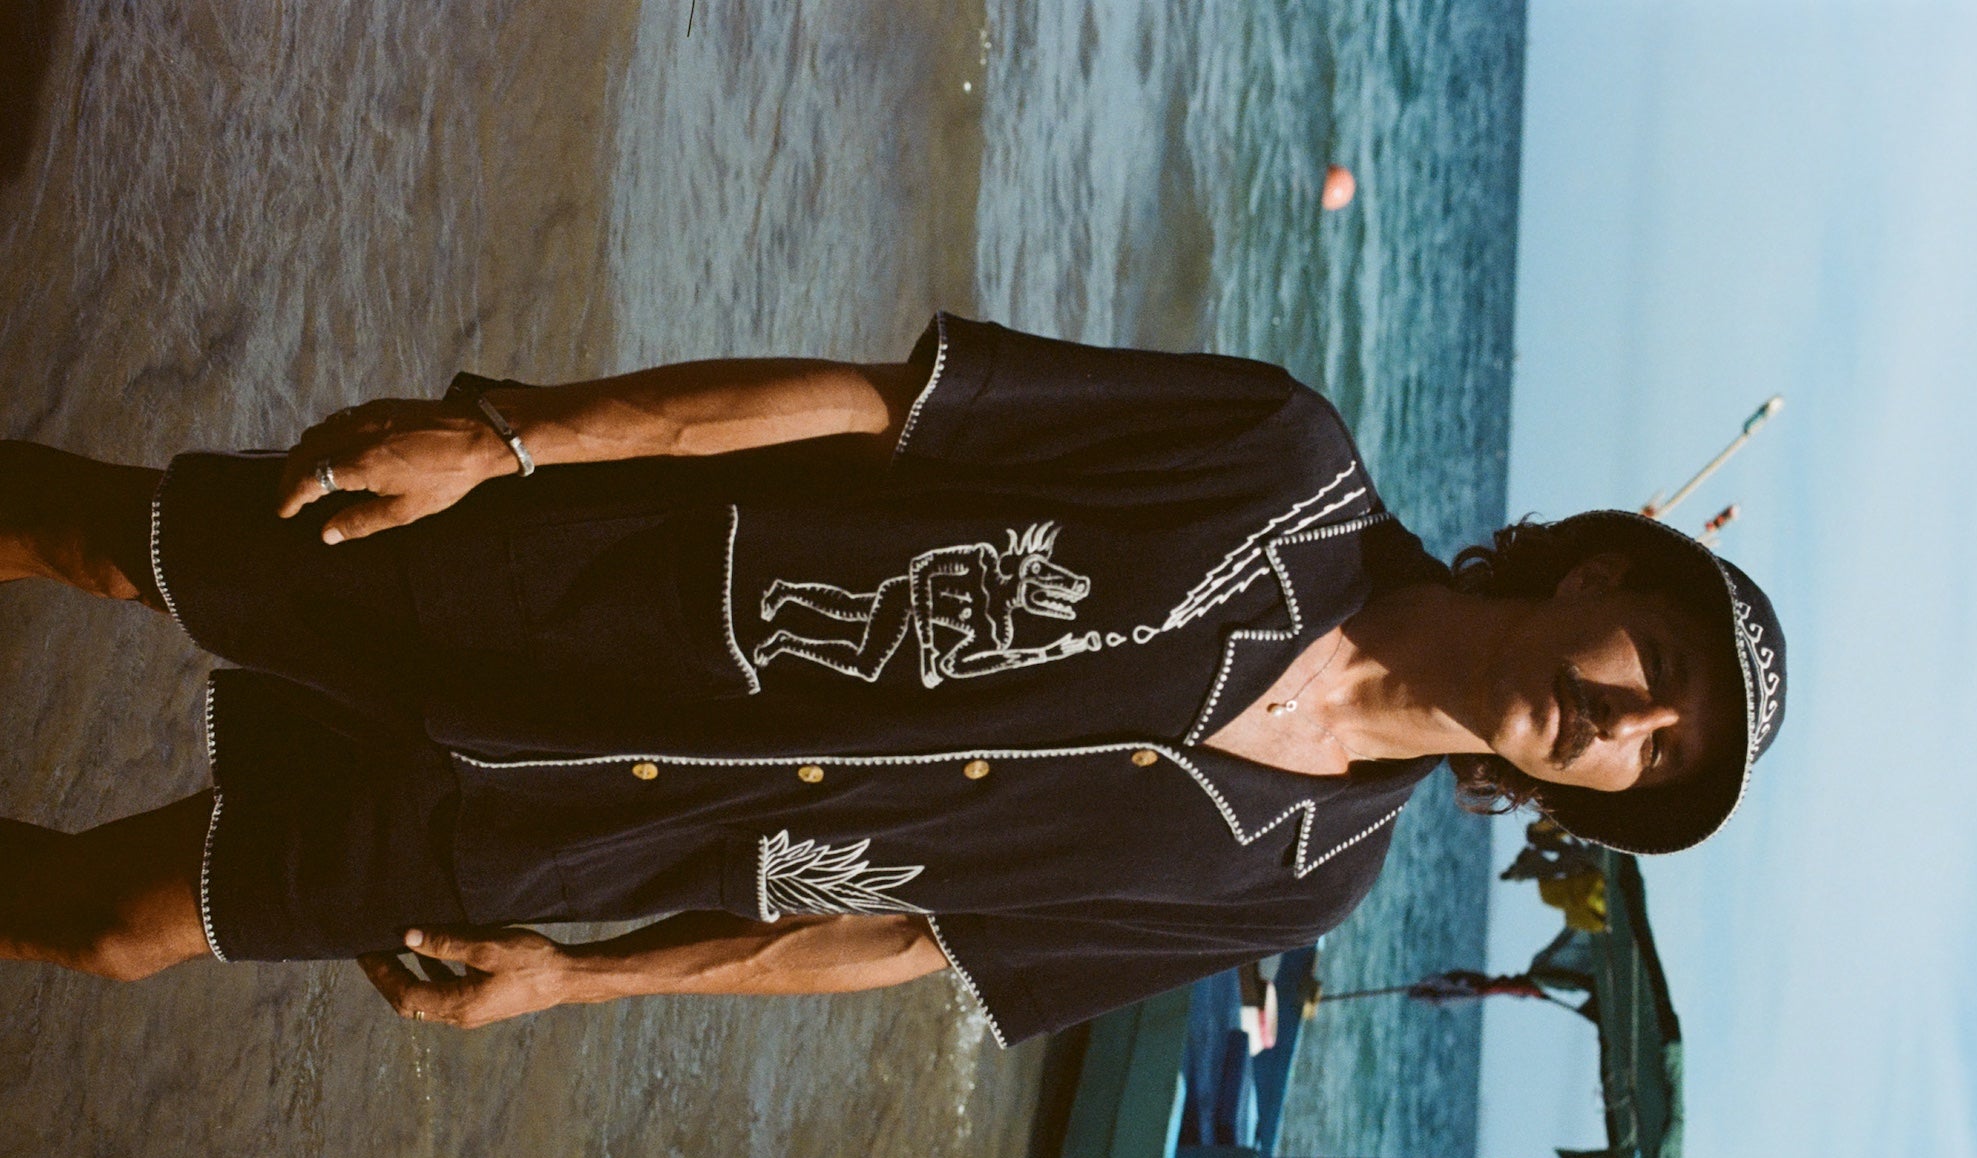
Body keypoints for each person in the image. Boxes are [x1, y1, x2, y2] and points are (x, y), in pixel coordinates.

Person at [0, 314, 1786, 1047]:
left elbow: (919, 941)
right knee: (100, 539)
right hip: (562, 593)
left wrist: (581, 978)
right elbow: (877, 409)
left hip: (555, 847)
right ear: (1602, 571)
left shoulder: (1301, 880)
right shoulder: (1278, 461)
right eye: (1660, 669)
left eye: (1662, 758)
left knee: (111, 926)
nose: (1630, 724)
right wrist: (509, 440)